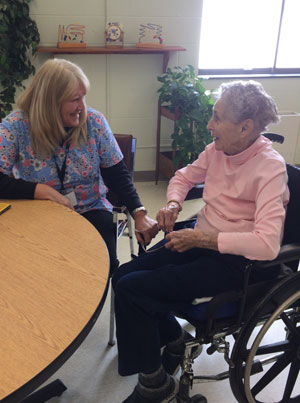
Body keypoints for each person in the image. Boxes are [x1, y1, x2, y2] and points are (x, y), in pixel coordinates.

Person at [112, 80, 290, 403]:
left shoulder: (270, 169)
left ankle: (156, 386)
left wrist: (206, 238)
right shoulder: (219, 150)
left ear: (245, 127)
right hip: (199, 238)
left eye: (217, 118)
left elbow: (267, 245)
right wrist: (173, 204)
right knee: (123, 275)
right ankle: (173, 337)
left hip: (237, 263)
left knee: (132, 289)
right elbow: (183, 177)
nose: (209, 125)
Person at [0, 58, 158, 272]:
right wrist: (41, 191)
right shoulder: (16, 126)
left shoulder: (95, 122)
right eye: (75, 99)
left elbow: (117, 175)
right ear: (50, 102)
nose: (82, 107)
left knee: (100, 266)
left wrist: (139, 213)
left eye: (83, 97)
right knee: (31, 266)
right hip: (37, 211)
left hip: (89, 209)